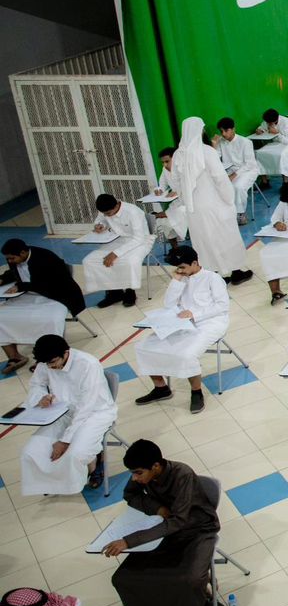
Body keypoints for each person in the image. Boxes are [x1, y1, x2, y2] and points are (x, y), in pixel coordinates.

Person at [103, 438, 224, 606]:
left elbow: (178, 521)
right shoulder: (143, 472)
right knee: (125, 577)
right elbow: (130, 495)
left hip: (199, 530)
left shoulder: (182, 474)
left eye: (138, 473)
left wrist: (129, 541)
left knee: (192, 578)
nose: (134, 478)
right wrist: (157, 508)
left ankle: (203, 602)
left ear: (156, 466)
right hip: (167, 528)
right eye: (132, 473)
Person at [131, 245, 229, 413]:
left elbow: (222, 306)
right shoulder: (181, 277)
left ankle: (196, 392)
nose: (179, 270)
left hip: (210, 322)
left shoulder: (212, 278)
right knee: (143, 346)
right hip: (182, 322)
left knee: (187, 354)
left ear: (194, 263)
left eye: (182, 267)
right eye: (178, 268)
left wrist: (194, 314)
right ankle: (161, 388)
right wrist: (176, 281)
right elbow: (169, 304)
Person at [18, 333, 118, 495]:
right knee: (31, 452)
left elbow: (86, 407)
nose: (50, 367)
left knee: (75, 454)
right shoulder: (47, 362)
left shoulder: (88, 364)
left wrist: (65, 441)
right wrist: (40, 397)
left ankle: (94, 466)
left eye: (53, 362)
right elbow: (36, 384)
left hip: (95, 413)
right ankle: (54, 483)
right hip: (63, 412)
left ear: (66, 353)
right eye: (46, 364)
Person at [0, 241, 84, 375]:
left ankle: (48, 357)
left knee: (51, 319)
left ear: (23, 253)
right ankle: (15, 356)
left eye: (12, 258)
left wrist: (21, 286)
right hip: (28, 295)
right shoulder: (16, 259)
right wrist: (2, 279)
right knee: (2, 317)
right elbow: (16, 273)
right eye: (8, 259)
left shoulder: (45, 257)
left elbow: (51, 283)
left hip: (56, 295)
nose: (10, 261)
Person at [77, 192, 150, 310]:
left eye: (108, 213)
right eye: (104, 213)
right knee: (89, 261)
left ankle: (130, 292)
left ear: (116, 205)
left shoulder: (133, 212)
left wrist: (116, 253)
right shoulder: (106, 210)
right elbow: (101, 219)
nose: (107, 215)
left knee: (129, 261)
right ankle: (114, 293)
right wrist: (100, 225)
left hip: (140, 241)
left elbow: (139, 238)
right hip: (117, 239)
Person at [212, 117, 261, 222]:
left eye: (226, 130)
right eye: (221, 131)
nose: (223, 134)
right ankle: (226, 212)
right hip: (230, 170)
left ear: (233, 129)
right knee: (215, 184)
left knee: (237, 186)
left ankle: (240, 214)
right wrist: (214, 145)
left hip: (248, 170)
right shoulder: (221, 141)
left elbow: (249, 164)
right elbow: (214, 159)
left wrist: (234, 175)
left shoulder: (245, 142)